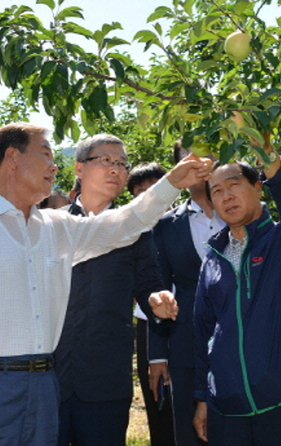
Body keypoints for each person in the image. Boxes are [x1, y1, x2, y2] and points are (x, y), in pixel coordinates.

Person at [0, 122, 212, 446]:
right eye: (46, 154)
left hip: (44, 386)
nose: (54, 166)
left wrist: (171, 184)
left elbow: (123, 225)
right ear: (12, 157)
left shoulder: (56, 228)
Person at [192, 151, 281, 445]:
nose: (226, 196)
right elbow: (202, 331)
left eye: (234, 185)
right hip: (225, 406)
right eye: (217, 191)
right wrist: (202, 398)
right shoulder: (212, 259)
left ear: (259, 187)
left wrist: (269, 157)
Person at [55, 137, 172, 446]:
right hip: (50, 374)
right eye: (106, 161)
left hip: (105, 376)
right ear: (79, 168)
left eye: (122, 164)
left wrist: (156, 300)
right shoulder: (52, 224)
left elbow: (148, 282)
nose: (116, 170)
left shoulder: (134, 229)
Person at [149, 143, 225, 446]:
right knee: (189, 428)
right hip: (186, 341)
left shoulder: (240, 212)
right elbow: (158, 288)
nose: (199, 164)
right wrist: (158, 353)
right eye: (188, 158)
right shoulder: (167, 225)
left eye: (208, 155)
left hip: (241, 339)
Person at [127, 162, 176, 446]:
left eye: (154, 190)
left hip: (188, 321)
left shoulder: (184, 224)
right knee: (158, 398)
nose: (148, 197)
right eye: (140, 192)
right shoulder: (128, 231)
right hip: (149, 325)